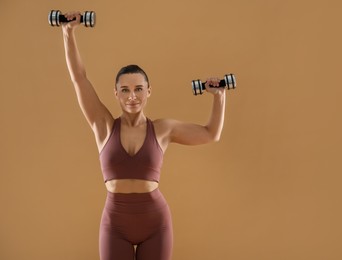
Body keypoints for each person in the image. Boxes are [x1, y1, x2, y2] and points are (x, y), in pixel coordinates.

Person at [61, 11, 226, 260]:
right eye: (125, 90)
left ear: (149, 91)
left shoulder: (162, 129)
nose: (132, 96)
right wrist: (68, 32)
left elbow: (210, 134)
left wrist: (220, 97)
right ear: (115, 93)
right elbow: (79, 78)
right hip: (115, 224)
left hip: (155, 224)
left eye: (139, 89)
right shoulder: (103, 125)